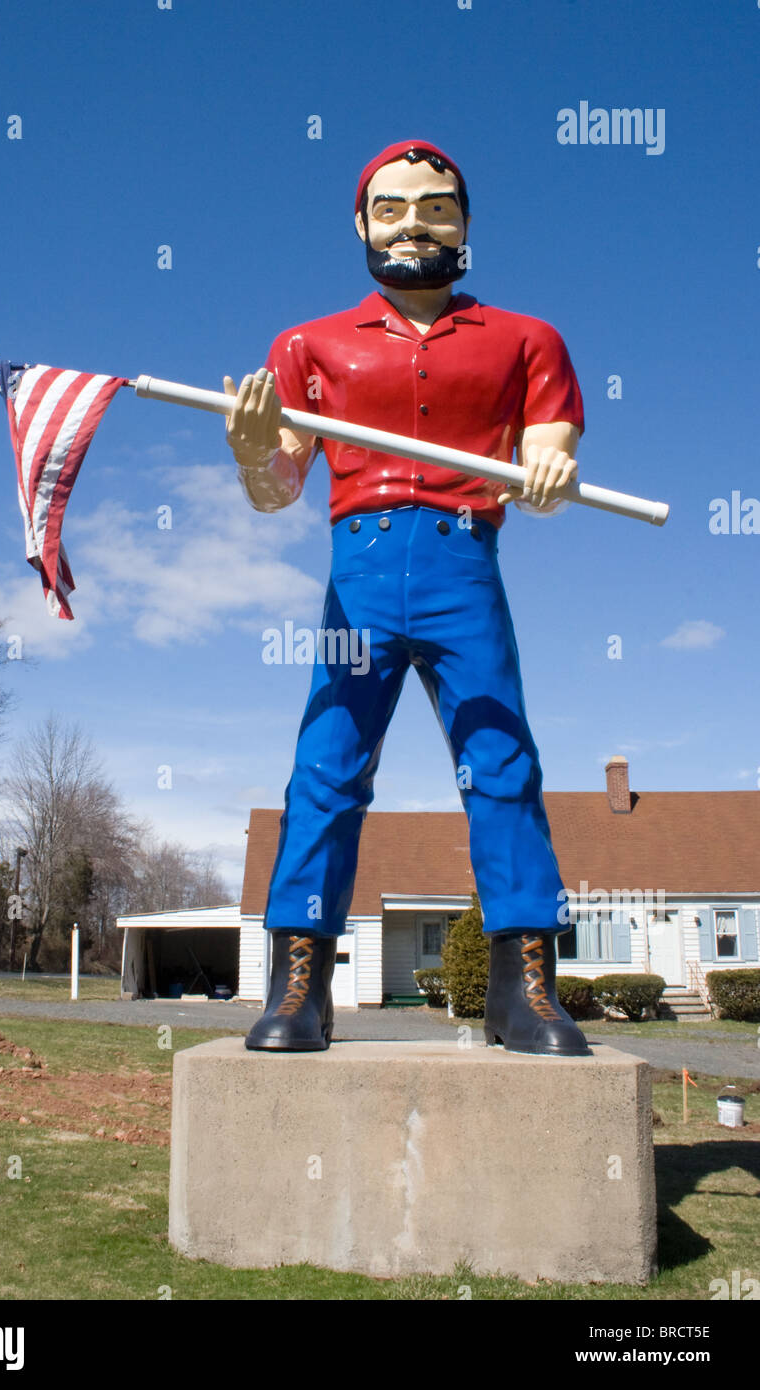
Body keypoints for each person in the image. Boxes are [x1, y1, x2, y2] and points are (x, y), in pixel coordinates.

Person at [224, 139, 589, 1057]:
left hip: (464, 561)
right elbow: (278, 490)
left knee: (500, 759)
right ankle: (299, 983)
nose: (412, 221)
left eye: (434, 206)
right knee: (328, 766)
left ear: (465, 223)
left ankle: (524, 987)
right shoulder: (307, 346)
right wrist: (248, 453)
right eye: (390, 207)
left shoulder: (526, 338)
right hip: (360, 566)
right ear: (360, 224)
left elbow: (552, 446)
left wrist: (548, 463)